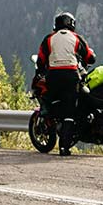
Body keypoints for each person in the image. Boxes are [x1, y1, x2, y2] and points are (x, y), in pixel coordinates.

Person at [37, 11, 94, 155]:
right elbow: (90, 57)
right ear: (72, 24)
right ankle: (64, 147)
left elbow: (40, 60)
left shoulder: (49, 39)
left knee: (50, 101)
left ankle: (49, 119)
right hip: (71, 76)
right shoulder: (76, 38)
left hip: (53, 76)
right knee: (69, 112)